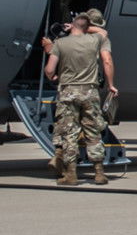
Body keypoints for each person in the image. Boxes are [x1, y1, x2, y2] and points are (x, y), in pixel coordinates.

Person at [43, 12, 116, 187]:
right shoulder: (95, 40)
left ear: (73, 25)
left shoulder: (60, 43)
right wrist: (111, 85)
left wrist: (53, 77)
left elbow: (49, 69)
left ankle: (71, 175)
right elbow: (103, 35)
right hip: (90, 92)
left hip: (68, 92)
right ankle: (99, 173)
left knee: (69, 133)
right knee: (93, 132)